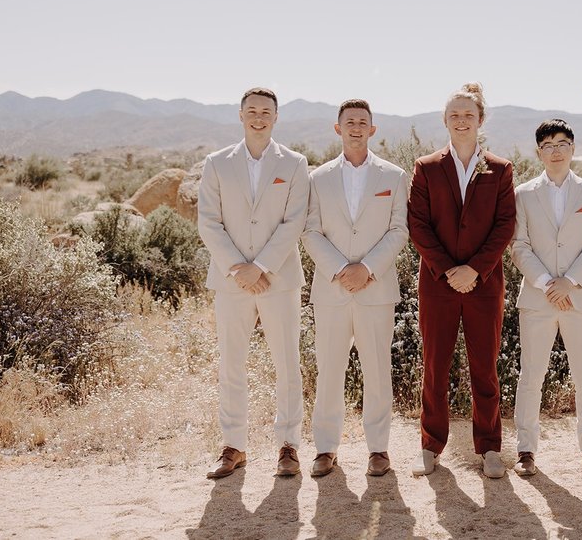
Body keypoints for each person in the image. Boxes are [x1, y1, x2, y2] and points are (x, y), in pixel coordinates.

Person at [197, 87, 309, 479]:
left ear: (276, 117)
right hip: (231, 282)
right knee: (231, 363)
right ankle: (233, 447)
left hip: (279, 279)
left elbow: (294, 221)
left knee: (287, 364)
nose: (259, 117)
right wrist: (238, 268)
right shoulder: (216, 163)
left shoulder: (295, 163)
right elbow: (209, 222)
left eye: (266, 111)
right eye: (252, 111)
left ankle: (288, 446)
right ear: (240, 115)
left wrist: (260, 266)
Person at [407, 82, 516, 478]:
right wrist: (447, 269)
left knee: (484, 367)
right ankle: (430, 446)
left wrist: (475, 269)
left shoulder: (500, 169)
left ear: (480, 120)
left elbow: (505, 225)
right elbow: (417, 224)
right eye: (454, 115)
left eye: (468, 114)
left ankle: (489, 447)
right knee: (434, 366)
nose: (461, 120)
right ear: (445, 121)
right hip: (437, 283)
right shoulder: (427, 166)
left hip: (484, 284)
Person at [303, 99, 408, 478]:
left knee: (377, 369)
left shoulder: (394, 176)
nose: (356, 127)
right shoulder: (317, 178)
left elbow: (399, 230)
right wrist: (340, 270)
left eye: (363, 122)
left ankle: (378, 449)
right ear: (338, 128)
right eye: (350, 122)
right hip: (331, 289)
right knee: (329, 368)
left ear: (373, 129)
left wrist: (366, 268)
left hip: (375, 288)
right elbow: (310, 230)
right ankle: (325, 448)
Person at [509, 119, 582, 478]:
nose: (555, 150)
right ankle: (525, 449)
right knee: (531, 374)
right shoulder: (522, 194)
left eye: (562, 143)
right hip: (537, 298)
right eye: (548, 144)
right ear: (539, 151)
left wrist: (570, 282)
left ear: (573, 148)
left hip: (580, 298)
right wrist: (548, 283)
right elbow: (518, 245)